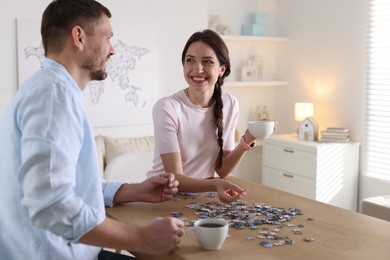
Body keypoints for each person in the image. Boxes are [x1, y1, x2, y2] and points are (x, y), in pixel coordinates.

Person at [0, 0, 184, 259]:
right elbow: (51, 203)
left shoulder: (47, 90)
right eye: (107, 37)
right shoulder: (54, 96)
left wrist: (131, 191)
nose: (112, 50)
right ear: (79, 37)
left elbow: (65, 184)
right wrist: (143, 238)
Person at [147, 29, 259, 203]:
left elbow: (222, 170)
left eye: (207, 62)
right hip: (163, 197)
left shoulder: (230, 104)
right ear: (183, 65)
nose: (197, 69)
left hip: (202, 198)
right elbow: (175, 177)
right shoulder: (167, 108)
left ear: (222, 69)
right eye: (190, 60)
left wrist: (249, 137)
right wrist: (215, 185)